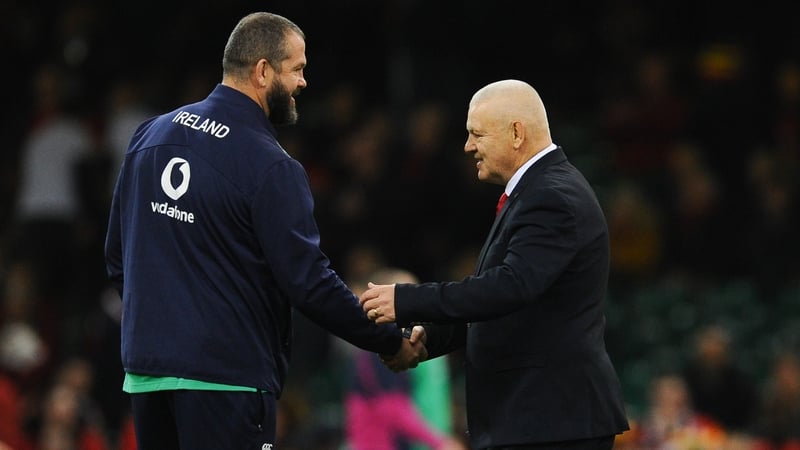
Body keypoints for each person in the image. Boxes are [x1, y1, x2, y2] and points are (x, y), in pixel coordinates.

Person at [104, 12, 425, 450]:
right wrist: (388, 342)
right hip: (226, 383)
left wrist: (165, 326)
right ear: (262, 71)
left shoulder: (150, 135)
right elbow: (308, 282)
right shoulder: (270, 165)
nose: (303, 82)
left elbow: (118, 259)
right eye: (297, 69)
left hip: (146, 378)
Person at [360, 79, 630, 449]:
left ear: (516, 133)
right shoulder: (534, 192)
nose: (469, 146)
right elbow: (506, 307)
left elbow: (509, 288)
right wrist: (430, 339)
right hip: (534, 421)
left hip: (553, 423)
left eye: (477, 134)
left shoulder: (553, 196)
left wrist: (405, 300)